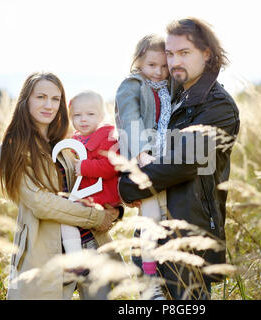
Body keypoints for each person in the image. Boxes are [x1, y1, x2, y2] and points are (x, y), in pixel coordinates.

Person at [118, 18, 240, 300]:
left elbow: (181, 163)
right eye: (170, 54)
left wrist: (127, 185)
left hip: (189, 240)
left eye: (184, 53)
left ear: (206, 53)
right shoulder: (172, 97)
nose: (174, 62)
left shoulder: (218, 106)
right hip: (150, 235)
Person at [0, 72, 119, 300]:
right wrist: (95, 217)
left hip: (91, 243)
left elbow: (94, 182)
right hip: (45, 252)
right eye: (41, 97)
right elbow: (41, 204)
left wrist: (115, 209)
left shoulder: (68, 142)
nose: (49, 105)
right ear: (26, 101)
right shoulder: (13, 147)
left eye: (55, 99)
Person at [115, 34, 171, 299]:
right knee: (150, 218)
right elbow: (130, 119)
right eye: (151, 65)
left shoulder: (169, 88)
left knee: (163, 219)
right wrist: (141, 153)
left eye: (163, 66)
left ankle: (160, 275)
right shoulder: (132, 85)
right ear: (137, 62)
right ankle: (149, 281)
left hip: (164, 162)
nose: (158, 72)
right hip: (144, 162)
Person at [61, 89, 122, 257]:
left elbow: (111, 166)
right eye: (77, 115)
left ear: (102, 116)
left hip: (102, 195)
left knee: (68, 217)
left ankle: (75, 258)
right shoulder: (75, 139)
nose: (83, 119)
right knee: (68, 221)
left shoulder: (107, 136)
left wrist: (84, 167)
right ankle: (75, 255)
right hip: (86, 194)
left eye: (90, 114)